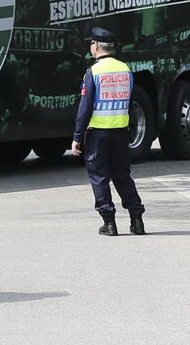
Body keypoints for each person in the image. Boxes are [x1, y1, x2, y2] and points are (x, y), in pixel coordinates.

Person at [71, 27, 146, 236]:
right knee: (123, 176)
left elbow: (84, 108)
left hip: (98, 135)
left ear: (95, 46)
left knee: (99, 177)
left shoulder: (93, 72)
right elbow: (130, 102)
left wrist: (77, 137)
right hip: (120, 133)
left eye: (91, 44)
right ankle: (137, 219)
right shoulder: (125, 69)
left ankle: (109, 223)